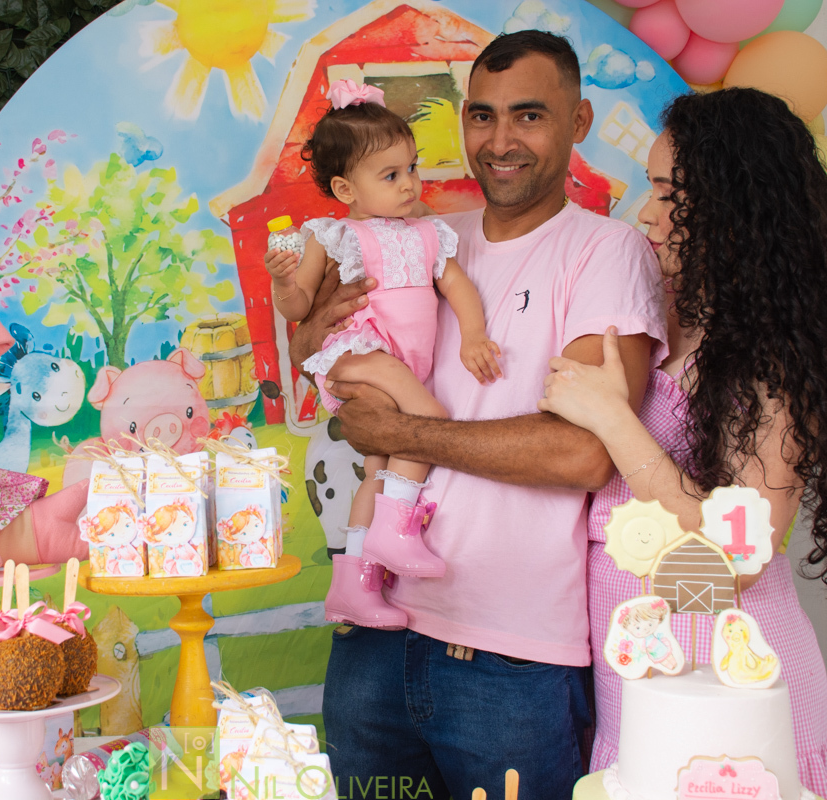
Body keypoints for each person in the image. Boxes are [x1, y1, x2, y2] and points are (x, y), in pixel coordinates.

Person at [291, 31, 667, 799]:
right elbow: (319, 348)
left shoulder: (607, 253)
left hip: (509, 658)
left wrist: (402, 433)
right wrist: (308, 336)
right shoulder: (420, 238)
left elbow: (583, 454)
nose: (499, 141)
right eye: (482, 115)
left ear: (579, 121)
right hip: (375, 631)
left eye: (529, 115)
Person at [539, 87, 827, 800]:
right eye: (650, 188)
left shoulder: (775, 353)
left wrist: (614, 422)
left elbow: (741, 559)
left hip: (729, 680)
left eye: (670, 194)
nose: (647, 212)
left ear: (736, 206)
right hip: (637, 673)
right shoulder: (660, 306)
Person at [265, 78, 501, 629]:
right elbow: (299, 305)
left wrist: (473, 335)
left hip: (402, 363)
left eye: (412, 168)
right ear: (345, 188)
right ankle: (396, 533)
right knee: (429, 420)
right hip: (358, 353)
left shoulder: (428, 233)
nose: (409, 183)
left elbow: (458, 286)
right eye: (391, 175)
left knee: (379, 465)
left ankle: (353, 585)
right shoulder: (332, 235)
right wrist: (282, 283)